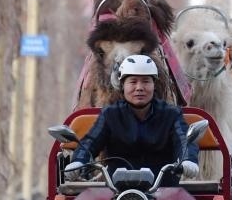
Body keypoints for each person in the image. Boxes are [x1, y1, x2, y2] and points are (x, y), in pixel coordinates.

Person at [65, 54, 200, 179]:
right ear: (122, 85)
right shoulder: (110, 115)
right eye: (133, 82)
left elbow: (184, 140)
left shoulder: (171, 114)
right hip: (117, 190)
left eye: (146, 81)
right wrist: (79, 161)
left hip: (164, 189)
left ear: (154, 85)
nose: (139, 87)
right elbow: (90, 142)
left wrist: (188, 160)